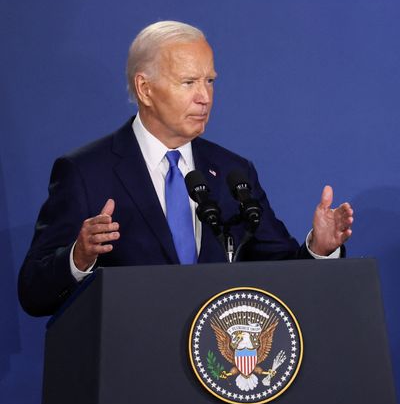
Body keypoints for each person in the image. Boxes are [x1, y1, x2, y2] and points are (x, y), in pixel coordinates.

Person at [18, 20, 353, 317]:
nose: (204, 97)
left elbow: (282, 274)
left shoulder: (233, 172)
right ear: (145, 89)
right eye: (189, 82)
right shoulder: (86, 172)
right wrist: (79, 257)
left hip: (217, 370)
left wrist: (319, 249)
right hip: (130, 370)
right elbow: (34, 293)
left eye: (210, 81)